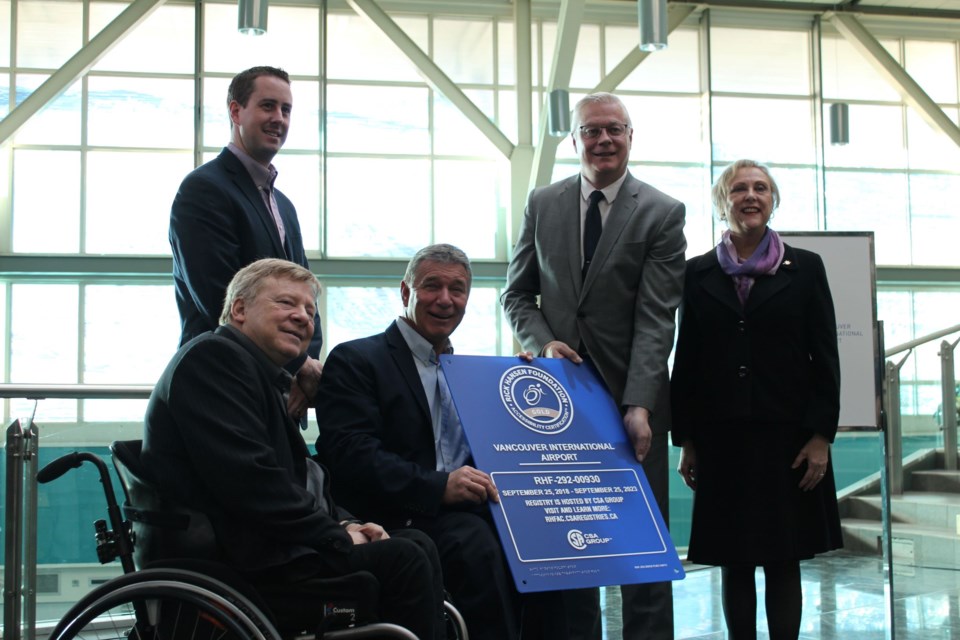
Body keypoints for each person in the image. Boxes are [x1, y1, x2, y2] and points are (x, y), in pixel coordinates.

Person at [141, 258, 446, 640]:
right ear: (239, 309)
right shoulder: (213, 361)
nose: (303, 318)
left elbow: (299, 477)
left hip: (265, 546)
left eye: (310, 310)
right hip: (239, 562)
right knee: (405, 558)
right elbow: (251, 482)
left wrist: (347, 522)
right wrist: (334, 535)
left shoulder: (259, 374)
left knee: (414, 542)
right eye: (286, 303)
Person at [501, 92, 686, 640]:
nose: (603, 140)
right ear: (576, 139)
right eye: (591, 131)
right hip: (555, 403)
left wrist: (640, 404)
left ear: (630, 136)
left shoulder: (661, 211)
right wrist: (544, 343)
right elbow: (517, 295)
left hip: (634, 402)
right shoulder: (542, 202)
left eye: (614, 129)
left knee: (642, 550)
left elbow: (657, 318)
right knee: (570, 544)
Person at [316, 244, 562, 640]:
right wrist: (439, 487)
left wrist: (532, 379)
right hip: (395, 512)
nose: (445, 300)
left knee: (548, 539)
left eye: (458, 289)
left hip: (466, 511)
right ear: (405, 292)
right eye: (432, 286)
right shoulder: (356, 360)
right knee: (476, 544)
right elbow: (352, 454)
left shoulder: (470, 374)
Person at [670, 160, 843, 639]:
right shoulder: (698, 272)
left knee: (784, 559)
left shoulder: (806, 267)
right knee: (734, 560)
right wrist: (686, 439)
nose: (751, 195)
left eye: (761, 188)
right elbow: (687, 359)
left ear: (773, 200)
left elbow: (824, 355)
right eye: (739, 188)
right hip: (721, 437)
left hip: (788, 438)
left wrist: (820, 436)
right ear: (722, 202)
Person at [169, 66, 322, 421]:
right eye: (268, 106)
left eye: (286, 110)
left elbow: (306, 296)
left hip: (277, 389)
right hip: (220, 383)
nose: (278, 119)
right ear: (235, 111)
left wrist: (306, 364)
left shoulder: (284, 205)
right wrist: (298, 364)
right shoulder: (203, 189)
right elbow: (218, 298)